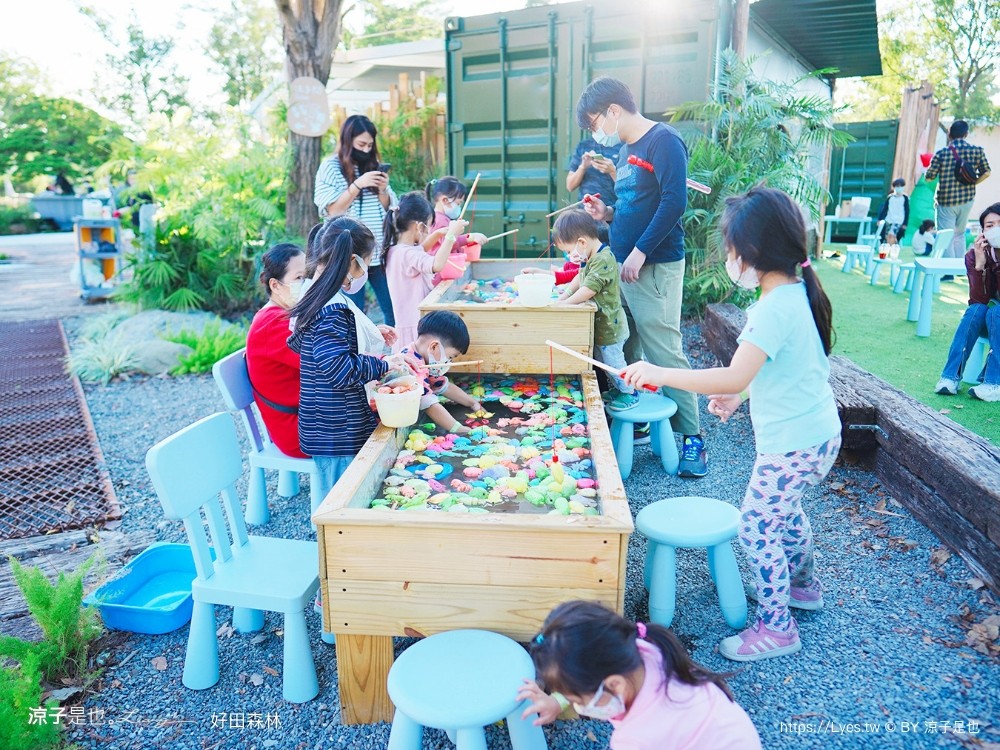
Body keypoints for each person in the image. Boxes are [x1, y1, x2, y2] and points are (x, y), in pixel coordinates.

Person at [621, 187, 842, 661]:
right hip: (817, 435)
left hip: (793, 442)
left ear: (753, 250)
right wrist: (741, 396)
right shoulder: (797, 293)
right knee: (786, 512)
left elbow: (734, 373)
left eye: (730, 248)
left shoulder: (773, 308)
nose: (728, 258)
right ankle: (802, 587)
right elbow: (782, 370)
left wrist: (661, 373)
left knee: (757, 527)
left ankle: (777, 628)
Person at [579, 77, 706, 477]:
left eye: (595, 122)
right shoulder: (626, 150)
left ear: (613, 110)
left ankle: (692, 438)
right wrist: (606, 214)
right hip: (626, 263)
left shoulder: (663, 141)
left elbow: (674, 202)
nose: (596, 131)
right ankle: (641, 418)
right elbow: (633, 203)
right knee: (627, 343)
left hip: (654, 265)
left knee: (664, 348)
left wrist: (640, 251)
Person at [517, 601, 762, 749]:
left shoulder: (637, 738)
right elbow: (588, 676)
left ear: (615, 684)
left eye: (578, 701)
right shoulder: (643, 648)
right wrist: (558, 702)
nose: (580, 707)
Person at [287, 217, 396, 498]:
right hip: (336, 430)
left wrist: (369, 332)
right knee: (340, 501)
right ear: (352, 261)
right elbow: (338, 368)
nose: (366, 272)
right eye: (367, 264)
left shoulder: (317, 291)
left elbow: (322, 345)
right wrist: (382, 365)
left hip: (327, 424)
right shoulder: (332, 308)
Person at [314, 115, 397, 326]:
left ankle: (393, 345)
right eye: (361, 144)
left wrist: (382, 190)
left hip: (377, 251)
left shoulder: (372, 165)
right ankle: (354, 347)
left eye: (370, 145)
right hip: (346, 254)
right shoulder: (331, 167)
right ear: (347, 141)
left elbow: (390, 209)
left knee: (393, 309)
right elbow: (332, 210)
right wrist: (357, 185)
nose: (366, 150)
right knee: (352, 313)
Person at [550, 210, 637, 411]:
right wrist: (562, 298)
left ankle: (630, 392)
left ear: (582, 242)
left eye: (569, 251)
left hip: (610, 327)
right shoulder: (591, 256)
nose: (569, 256)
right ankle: (619, 389)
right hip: (600, 327)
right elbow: (580, 278)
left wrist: (567, 304)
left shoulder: (603, 259)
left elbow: (589, 289)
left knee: (614, 363)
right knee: (604, 361)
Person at [246, 243, 308, 459]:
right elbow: (323, 362)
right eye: (299, 278)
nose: (307, 283)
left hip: (308, 415)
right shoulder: (272, 323)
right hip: (297, 430)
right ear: (275, 285)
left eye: (308, 276)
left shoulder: (285, 314)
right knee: (380, 421)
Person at [383, 191, 468, 349]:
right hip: (415, 327)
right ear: (419, 226)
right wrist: (450, 236)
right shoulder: (408, 254)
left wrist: (437, 234)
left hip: (407, 324)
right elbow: (436, 265)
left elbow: (422, 249)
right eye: (429, 226)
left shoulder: (397, 250)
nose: (429, 230)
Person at [934, 202, 1000, 401]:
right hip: (991, 321)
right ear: (983, 232)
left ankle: (994, 383)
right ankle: (949, 378)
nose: (996, 229)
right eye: (990, 225)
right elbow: (978, 299)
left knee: (996, 311)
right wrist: (980, 266)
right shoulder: (973, 256)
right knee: (976, 310)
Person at [396, 311, 482, 434]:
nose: (449, 362)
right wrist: (458, 429)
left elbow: (443, 386)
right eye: (450, 357)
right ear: (434, 347)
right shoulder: (411, 366)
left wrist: (473, 403)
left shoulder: (420, 356)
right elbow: (428, 403)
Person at [925, 120, 991, 259]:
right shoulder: (977, 151)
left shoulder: (942, 153)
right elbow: (986, 172)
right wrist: (973, 182)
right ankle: (961, 266)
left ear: (949, 135)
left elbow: (929, 177)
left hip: (946, 202)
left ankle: (948, 268)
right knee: (959, 234)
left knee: (945, 236)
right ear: (966, 134)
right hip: (967, 200)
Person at [566, 136, 619, 203]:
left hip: (612, 206)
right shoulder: (583, 145)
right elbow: (570, 186)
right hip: (586, 206)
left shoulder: (622, 147)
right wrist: (583, 167)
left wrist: (612, 171)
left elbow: (628, 187)